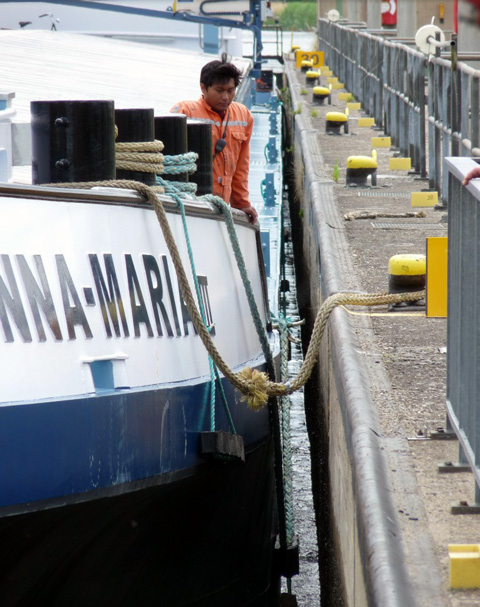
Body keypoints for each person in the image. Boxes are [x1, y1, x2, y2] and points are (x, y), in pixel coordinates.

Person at [171, 53, 258, 224]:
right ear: (203, 88)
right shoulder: (184, 111)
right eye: (219, 91)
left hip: (220, 207)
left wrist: (241, 203)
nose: (226, 97)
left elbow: (241, 166)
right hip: (190, 206)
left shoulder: (243, 115)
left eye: (231, 91)